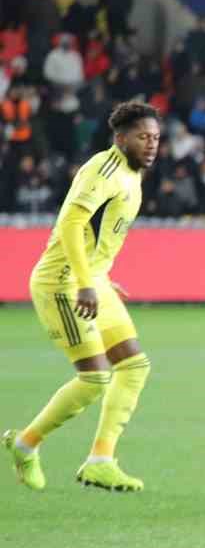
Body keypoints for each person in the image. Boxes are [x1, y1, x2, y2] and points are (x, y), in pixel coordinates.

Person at [5, 101, 162, 493]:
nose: (151, 144)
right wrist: (86, 282)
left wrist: (101, 277)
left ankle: (100, 461)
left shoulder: (132, 175)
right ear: (120, 138)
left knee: (134, 366)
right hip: (62, 283)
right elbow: (72, 224)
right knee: (94, 378)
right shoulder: (102, 170)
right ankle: (25, 444)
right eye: (142, 137)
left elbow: (100, 234)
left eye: (156, 138)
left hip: (92, 279)